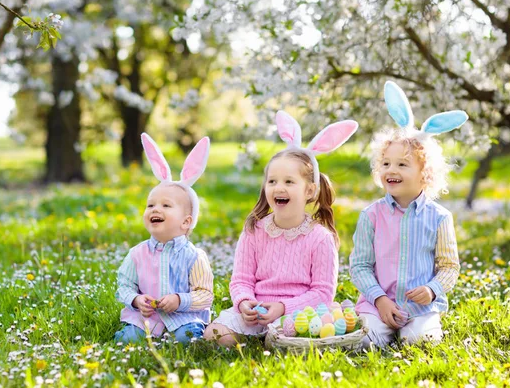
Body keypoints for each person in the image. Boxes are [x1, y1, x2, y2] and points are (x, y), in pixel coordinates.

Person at [203, 110, 358, 346]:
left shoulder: (319, 238)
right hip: (258, 310)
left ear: (309, 191)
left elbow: (323, 293)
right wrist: (245, 302)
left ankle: (274, 339)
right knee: (214, 335)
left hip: (299, 313)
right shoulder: (255, 230)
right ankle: (259, 335)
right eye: (272, 181)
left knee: (281, 339)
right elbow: (241, 280)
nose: (278, 188)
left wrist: (283, 307)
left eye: (289, 181)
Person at [350, 81, 465, 348]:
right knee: (366, 342)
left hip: (419, 307)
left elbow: (449, 267)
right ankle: (380, 328)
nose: (392, 170)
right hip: (378, 302)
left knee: (420, 341)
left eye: (403, 164)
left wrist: (432, 290)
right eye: (386, 163)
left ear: (425, 174)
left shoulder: (439, 217)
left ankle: (411, 332)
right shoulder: (371, 216)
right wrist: (379, 299)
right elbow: (360, 266)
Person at [114, 133, 213, 344]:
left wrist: (180, 300)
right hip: (146, 318)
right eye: (151, 205)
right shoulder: (137, 253)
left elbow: (205, 294)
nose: (155, 209)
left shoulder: (194, 256)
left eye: (166, 206)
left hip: (182, 317)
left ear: (186, 222)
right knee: (129, 339)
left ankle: (182, 337)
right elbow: (124, 285)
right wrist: (136, 299)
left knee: (187, 339)